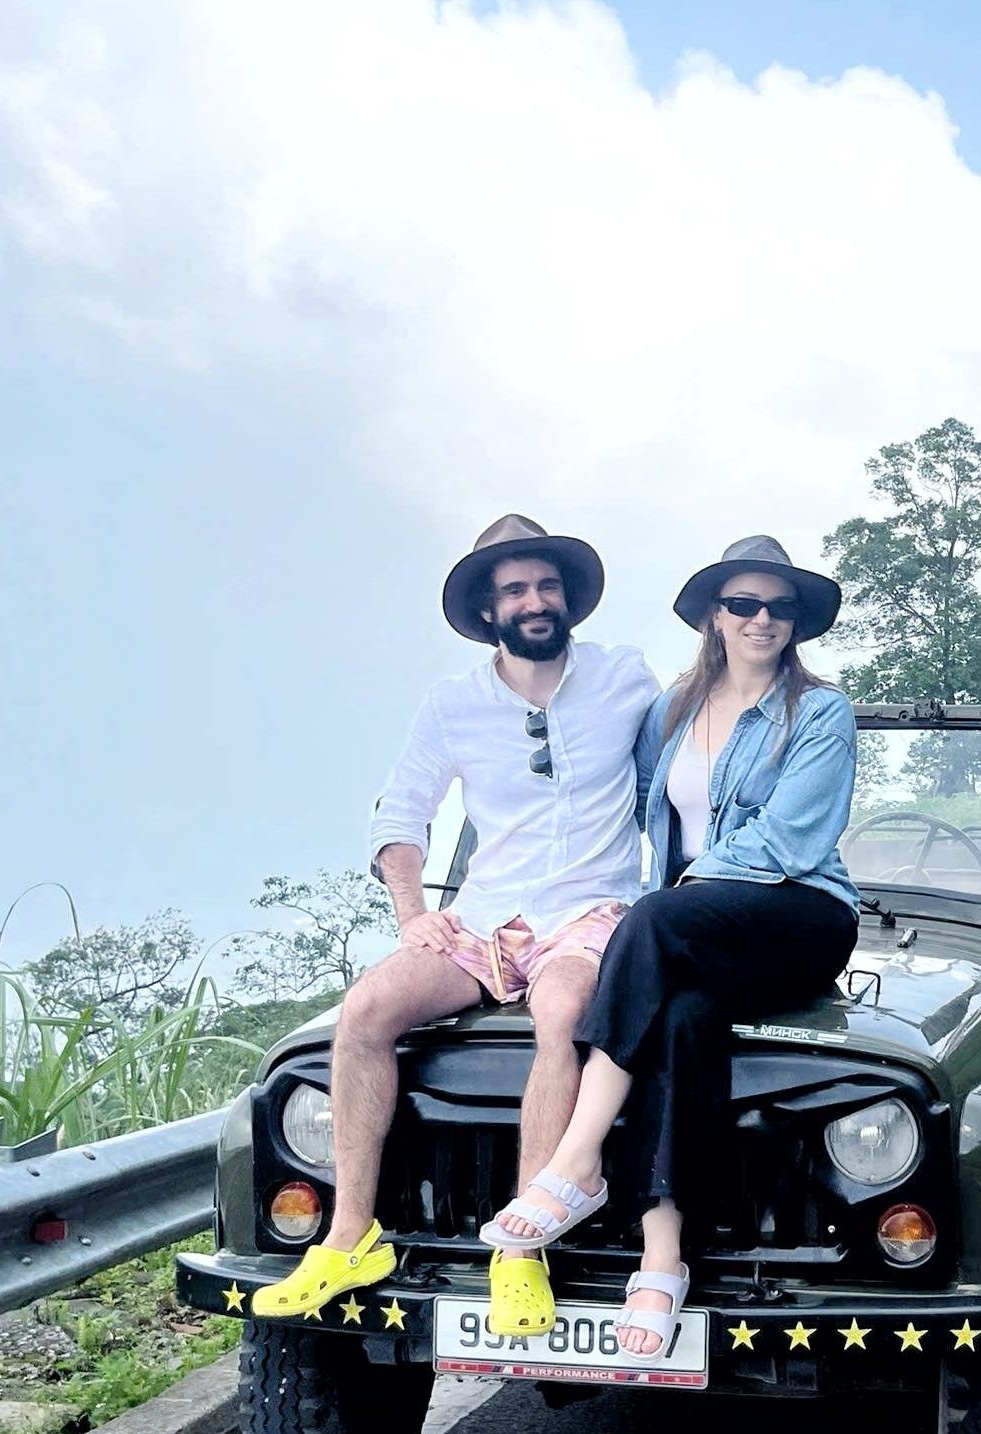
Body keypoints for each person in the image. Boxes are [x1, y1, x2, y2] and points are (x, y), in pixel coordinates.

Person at [251, 514, 658, 1322]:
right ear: (487, 609)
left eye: (547, 585)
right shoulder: (452, 705)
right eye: (516, 590)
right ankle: (350, 1236)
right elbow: (400, 813)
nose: (535, 601)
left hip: (590, 910)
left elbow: (695, 754)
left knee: (563, 1013)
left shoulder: (626, 677)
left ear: (568, 597)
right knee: (366, 1009)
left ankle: (520, 1250)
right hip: (483, 916)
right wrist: (413, 916)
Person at [483, 535, 859, 1361]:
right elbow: (620, 802)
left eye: (780, 607)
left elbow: (790, 839)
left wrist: (678, 895)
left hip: (800, 917)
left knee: (650, 922)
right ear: (713, 617)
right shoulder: (672, 712)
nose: (762, 620)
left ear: (796, 623)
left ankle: (576, 1161)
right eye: (744, 604)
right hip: (693, 928)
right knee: (679, 1016)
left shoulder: (819, 712)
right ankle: (661, 1259)